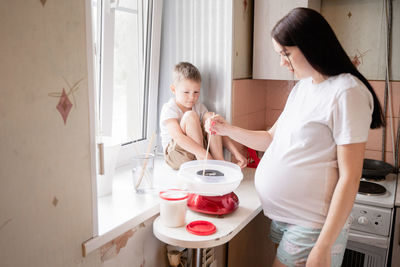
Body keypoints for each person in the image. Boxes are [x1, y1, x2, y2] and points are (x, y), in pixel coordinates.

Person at [208, 8, 384, 267]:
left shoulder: (346, 92)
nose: (282, 62)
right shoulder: (303, 87)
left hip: (313, 224)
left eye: (286, 53)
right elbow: (270, 138)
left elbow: (350, 177)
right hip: (285, 219)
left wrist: (324, 245)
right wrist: (227, 129)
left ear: (311, 45)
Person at [159, 62, 246, 170]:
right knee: (190, 116)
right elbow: (178, 137)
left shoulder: (198, 107)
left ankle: (219, 162)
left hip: (197, 154)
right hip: (176, 155)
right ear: (173, 89)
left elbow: (220, 130)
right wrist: (205, 156)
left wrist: (235, 153)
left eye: (196, 92)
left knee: (211, 117)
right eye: (186, 92)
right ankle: (204, 163)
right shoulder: (169, 108)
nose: (192, 97)